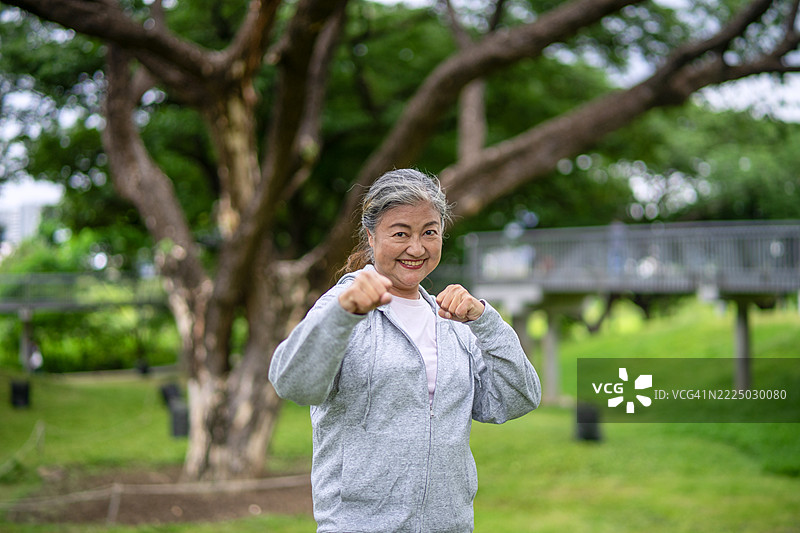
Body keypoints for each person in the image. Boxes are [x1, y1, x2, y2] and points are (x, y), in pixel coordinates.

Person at [269, 168, 541, 533]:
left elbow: (517, 398)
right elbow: (293, 385)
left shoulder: (452, 320)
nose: (417, 248)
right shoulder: (344, 304)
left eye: (429, 232)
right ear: (371, 235)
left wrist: (486, 321)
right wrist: (341, 316)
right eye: (400, 233)